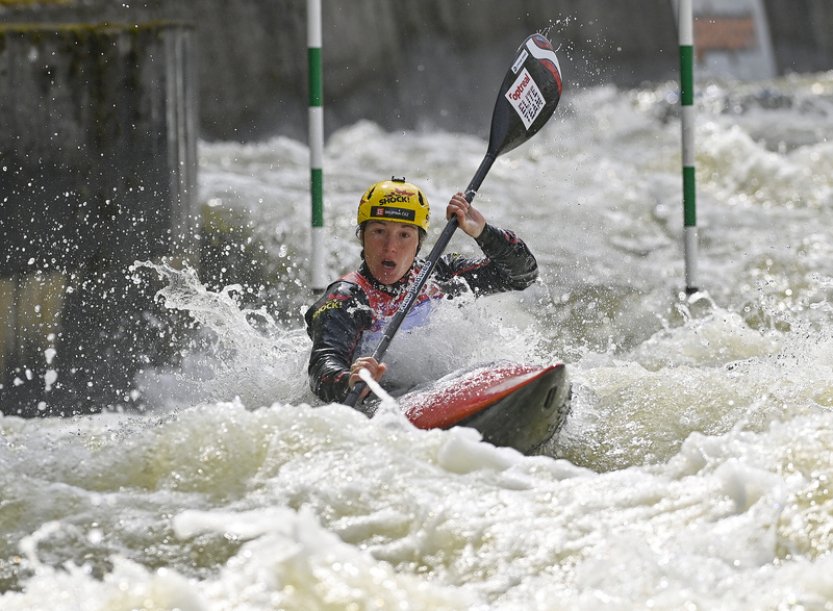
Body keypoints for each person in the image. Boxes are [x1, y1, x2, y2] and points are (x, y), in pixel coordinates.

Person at [304, 177, 538, 406]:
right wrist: (349, 381)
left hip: (443, 389)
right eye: (378, 232)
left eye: (404, 235)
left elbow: (521, 275)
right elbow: (323, 366)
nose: (390, 247)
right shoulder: (346, 298)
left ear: (419, 243)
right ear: (362, 237)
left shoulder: (441, 274)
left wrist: (484, 233)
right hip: (383, 404)